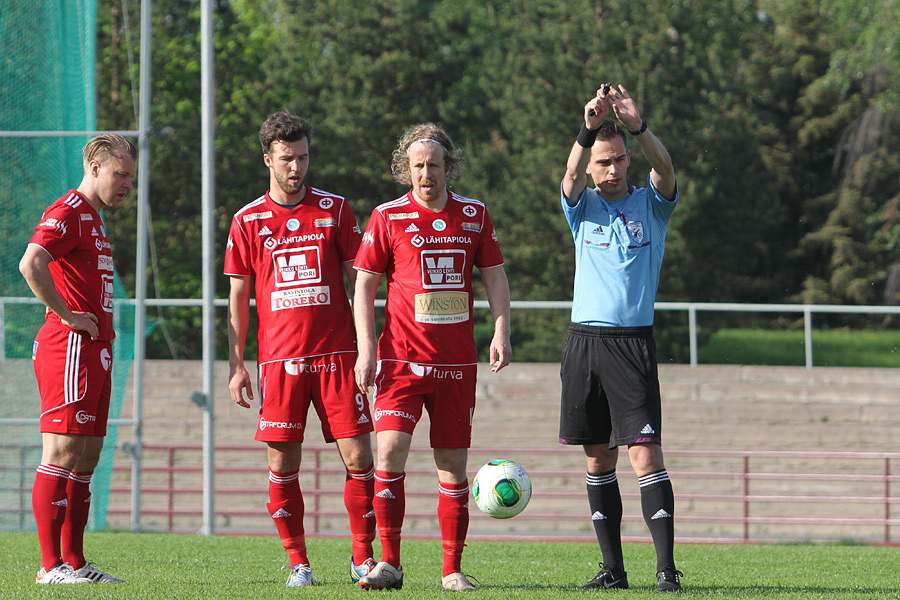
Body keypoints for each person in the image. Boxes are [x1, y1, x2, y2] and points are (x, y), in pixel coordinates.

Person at [353, 123, 511, 591]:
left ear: (449, 168)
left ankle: (451, 570)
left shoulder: (474, 215)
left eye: (434, 165)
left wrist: (501, 329)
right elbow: (363, 286)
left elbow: (495, 278)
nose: (426, 173)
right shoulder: (387, 216)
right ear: (406, 169)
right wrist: (366, 350)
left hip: (456, 363)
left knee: (452, 465)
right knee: (389, 449)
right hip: (400, 360)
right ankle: (390, 562)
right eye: (418, 165)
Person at [225, 110, 376, 587]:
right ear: (267, 158)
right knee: (282, 464)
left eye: (304, 157)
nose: (297, 167)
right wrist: (236, 365)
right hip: (279, 361)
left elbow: (361, 282)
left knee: (359, 459)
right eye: (287, 159)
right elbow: (237, 299)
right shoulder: (247, 220)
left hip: (337, 357)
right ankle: (298, 563)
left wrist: (370, 345)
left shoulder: (335, 209)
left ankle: (361, 558)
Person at [559, 84, 683, 592]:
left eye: (618, 161)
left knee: (645, 455)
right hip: (583, 344)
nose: (611, 170)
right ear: (592, 165)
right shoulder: (580, 206)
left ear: (629, 160)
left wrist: (638, 125)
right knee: (597, 458)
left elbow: (668, 169)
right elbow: (567, 175)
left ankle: (666, 570)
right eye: (602, 161)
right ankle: (613, 570)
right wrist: (587, 130)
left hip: (632, 345)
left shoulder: (651, 204)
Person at [20, 133, 136, 584]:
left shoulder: (95, 218)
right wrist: (67, 314)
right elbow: (32, 263)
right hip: (69, 347)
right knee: (63, 450)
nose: (127, 183)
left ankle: (75, 563)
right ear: (94, 167)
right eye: (120, 174)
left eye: (130, 176)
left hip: (97, 350)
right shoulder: (67, 210)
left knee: (87, 455)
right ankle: (49, 568)